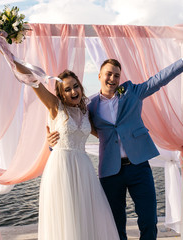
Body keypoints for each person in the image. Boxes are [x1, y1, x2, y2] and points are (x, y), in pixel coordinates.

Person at [47, 40, 183, 240]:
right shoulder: (89, 106)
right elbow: (70, 129)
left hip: (139, 167)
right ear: (99, 76)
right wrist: (52, 142)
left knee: (149, 222)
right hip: (110, 172)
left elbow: (159, 79)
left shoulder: (133, 93)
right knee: (115, 225)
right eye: (109, 73)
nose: (113, 78)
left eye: (117, 75)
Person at [15, 61, 119, 239]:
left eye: (76, 86)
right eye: (68, 89)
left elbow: (105, 133)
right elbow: (32, 80)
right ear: (61, 94)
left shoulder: (86, 112)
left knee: (85, 214)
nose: (74, 92)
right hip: (62, 168)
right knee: (67, 214)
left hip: (84, 169)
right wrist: (8, 54)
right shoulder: (56, 107)